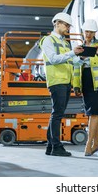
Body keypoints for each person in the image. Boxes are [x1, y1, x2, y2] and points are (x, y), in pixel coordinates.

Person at [40, 12, 84, 156]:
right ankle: (57, 147)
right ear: (57, 23)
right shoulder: (48, 40)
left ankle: (50, 147)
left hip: (65, 81)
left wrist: (81, 57)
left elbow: (71, 61)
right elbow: (53, 59)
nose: (68, 28)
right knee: (57, 115)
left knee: (56, 114)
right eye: (66, 25)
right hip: (56, 81)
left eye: (69, 26)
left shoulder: (65, 42)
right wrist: (72, 53)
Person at [73, 19, 98, 156]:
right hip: (86, 81)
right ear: (83, 32)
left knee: (94, 113)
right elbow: (76, 68)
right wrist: (76, 86)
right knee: (91, 114)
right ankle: (96, 144)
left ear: (95, 32)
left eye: (91, 32)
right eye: (86, 31)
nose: (88, 34)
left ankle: (88, 145)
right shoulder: (80, 47)